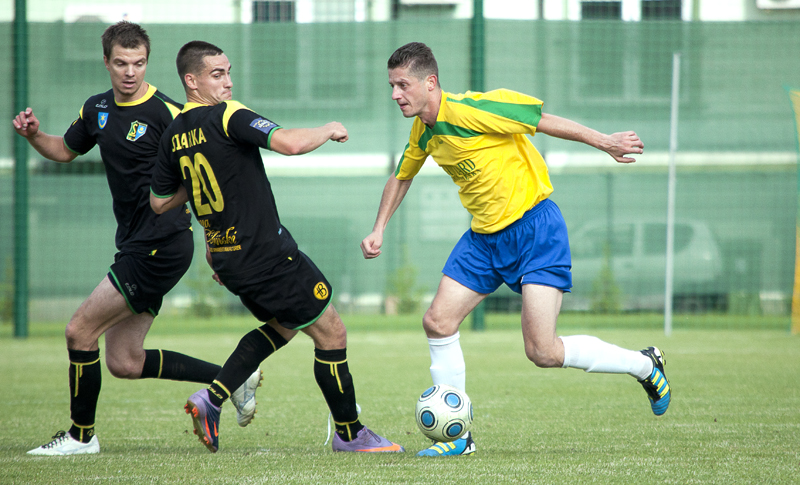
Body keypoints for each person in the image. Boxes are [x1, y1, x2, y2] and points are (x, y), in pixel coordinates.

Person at [360, 42, 671, 457]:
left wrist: (606, 142)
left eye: (403, 85)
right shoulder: (424, 130)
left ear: (430, 82)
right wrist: (379, 228)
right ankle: (458, 438)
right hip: (483, 240)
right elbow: (402, 176)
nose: (395, 94)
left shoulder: (475, 109)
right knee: (437, 321)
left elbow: (542, 121)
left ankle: (645, 366)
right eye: (392, 86)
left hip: (535, 230)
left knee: (542, 351)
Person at [14, 22, 260, 456]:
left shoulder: (168, 113)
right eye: (121, 63)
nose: (130, 72)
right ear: (106, 62)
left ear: (148, 62)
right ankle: (232, 378)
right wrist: (34, 134)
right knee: (124, 361)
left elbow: (204, 179)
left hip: (161, 245)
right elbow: (64, 150)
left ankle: (81, 437)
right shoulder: (96, 109)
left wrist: (215, 245)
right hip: (134, 243)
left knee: (79, 331)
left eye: (139, 63)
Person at [149, 40, 404, 454]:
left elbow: (159, 201)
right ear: (191, 81)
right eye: (217, 74)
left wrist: (202, 202)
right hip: (267, 255)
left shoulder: (172, 135)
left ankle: (213, 397)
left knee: (284, 327)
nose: (228, 82)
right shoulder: (228, 115)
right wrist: (328, 128)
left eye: (229, 72)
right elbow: (289, 143)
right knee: (332, 332)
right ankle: (350, 434)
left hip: (226, 259)